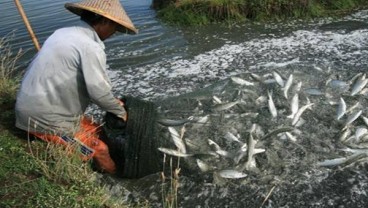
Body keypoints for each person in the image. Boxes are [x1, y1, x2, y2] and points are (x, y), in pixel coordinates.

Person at [15, 0, 138, 174]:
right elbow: (99, 93)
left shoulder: (63, 33)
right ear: (104, 21)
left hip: (41, 108)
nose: (114, 33)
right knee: (98, 149)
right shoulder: (91, 47)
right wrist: (121, 113)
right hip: (42, 121)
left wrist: (112, 102)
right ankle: (115, 180)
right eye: (115, 27)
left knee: (98, 130)